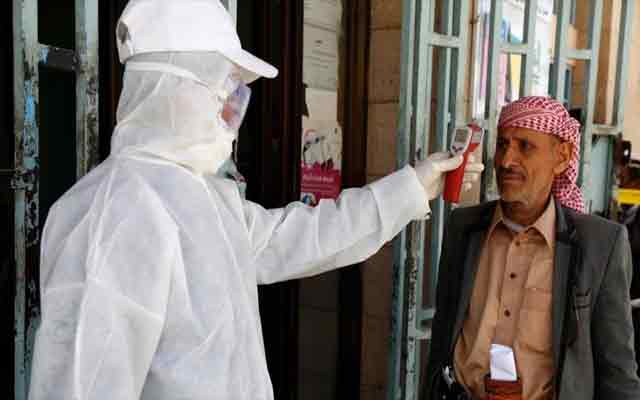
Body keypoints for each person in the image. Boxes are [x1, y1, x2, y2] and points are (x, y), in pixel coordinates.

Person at [27, 1, 482, 399]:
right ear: (174, 91)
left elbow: (305, 236)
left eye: (238, 96)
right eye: (225, 93)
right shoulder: (115, 214)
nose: (233, 114)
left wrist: (413, 188)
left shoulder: (206, 198)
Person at [424, 96, 640, 400]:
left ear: (562, 156)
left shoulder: (600, 244)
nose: (506, 160)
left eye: (525, 146)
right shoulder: (465, 227)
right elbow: (442, 337)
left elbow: (618, 371)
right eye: (502, 145)